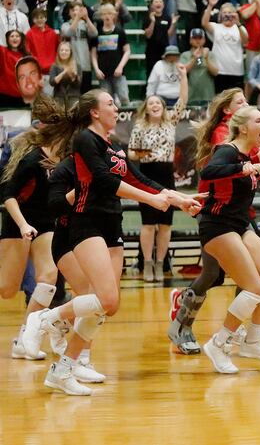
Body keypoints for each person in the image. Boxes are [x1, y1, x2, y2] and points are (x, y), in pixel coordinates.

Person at [20, 90, 197, 395]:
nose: (117, 109)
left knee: (106, 305)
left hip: (108, 226)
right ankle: (46, 317)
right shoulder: (85, 140)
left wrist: (180, 199)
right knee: (103, 299)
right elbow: (104, 181)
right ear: (94, 113)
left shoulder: (113, 146)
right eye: (110, 104)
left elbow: (139, 178)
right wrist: (152, 200)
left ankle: (63, 369)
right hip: (85, 223)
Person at [197, 105, 260, 373]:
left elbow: (246, 171)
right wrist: (248, 166)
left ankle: (253, 340)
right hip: (217, 224)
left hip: (239, 224)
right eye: (258, 120)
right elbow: (208, 173)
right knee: (253, 288)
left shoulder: (248, 154)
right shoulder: (226, 150)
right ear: (243, 127)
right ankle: (219, 343)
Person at [1, 97, 66, 361]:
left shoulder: (62, 158)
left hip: (44, 223)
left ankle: (24, 337)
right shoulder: (31, 160)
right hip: (19, 221)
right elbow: (8, 195)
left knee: (49, 275)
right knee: (7, 290)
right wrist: (23, 225)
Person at [129, 67, 188, 282]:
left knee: (165, 224)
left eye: (158, 103)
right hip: (147, 174)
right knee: (148, 224)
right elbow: (130, 152)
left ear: (163, 108)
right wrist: (141, 153)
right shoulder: (139, 126)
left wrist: (183, 76)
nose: (155, 105)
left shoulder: (170, 123)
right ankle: (146, 264)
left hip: (166, 174)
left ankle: (160, 263)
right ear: (146, 107)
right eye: (151, 103)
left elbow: (182, 99)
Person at [202, 1, 248, 93]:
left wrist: (238, 23)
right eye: (224, 13)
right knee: (220, 100)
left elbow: (246, 40)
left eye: (230, 12)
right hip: (220, 71)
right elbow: (204, 23)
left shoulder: (239, 28)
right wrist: (210, 6)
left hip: (237, 71)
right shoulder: (216, 27)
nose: (227, 15)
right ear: (220, 15)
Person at [90, 4, 130, 107]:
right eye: (104, 14)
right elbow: (93, 54)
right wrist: (96, 69)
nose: (107, 16)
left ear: (114, 15)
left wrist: (120, 67)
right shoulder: (97, 33)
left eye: (109, 13)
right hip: (103, 73)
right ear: (101, 16)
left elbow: (127, 51)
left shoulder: (120, 31)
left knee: (124, 97)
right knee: (107, 100)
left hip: (118, 72)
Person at [50, 41, 81, 107]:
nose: (64, 52)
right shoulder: (54, 66)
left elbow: (78, 84)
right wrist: (64, 72)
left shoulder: (77, 65)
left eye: (66, 50)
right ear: (58, 52)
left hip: (73, 97)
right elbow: (52, 82)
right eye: (62, 50)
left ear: (70, 52)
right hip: (59, 97)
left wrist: (73, 75)